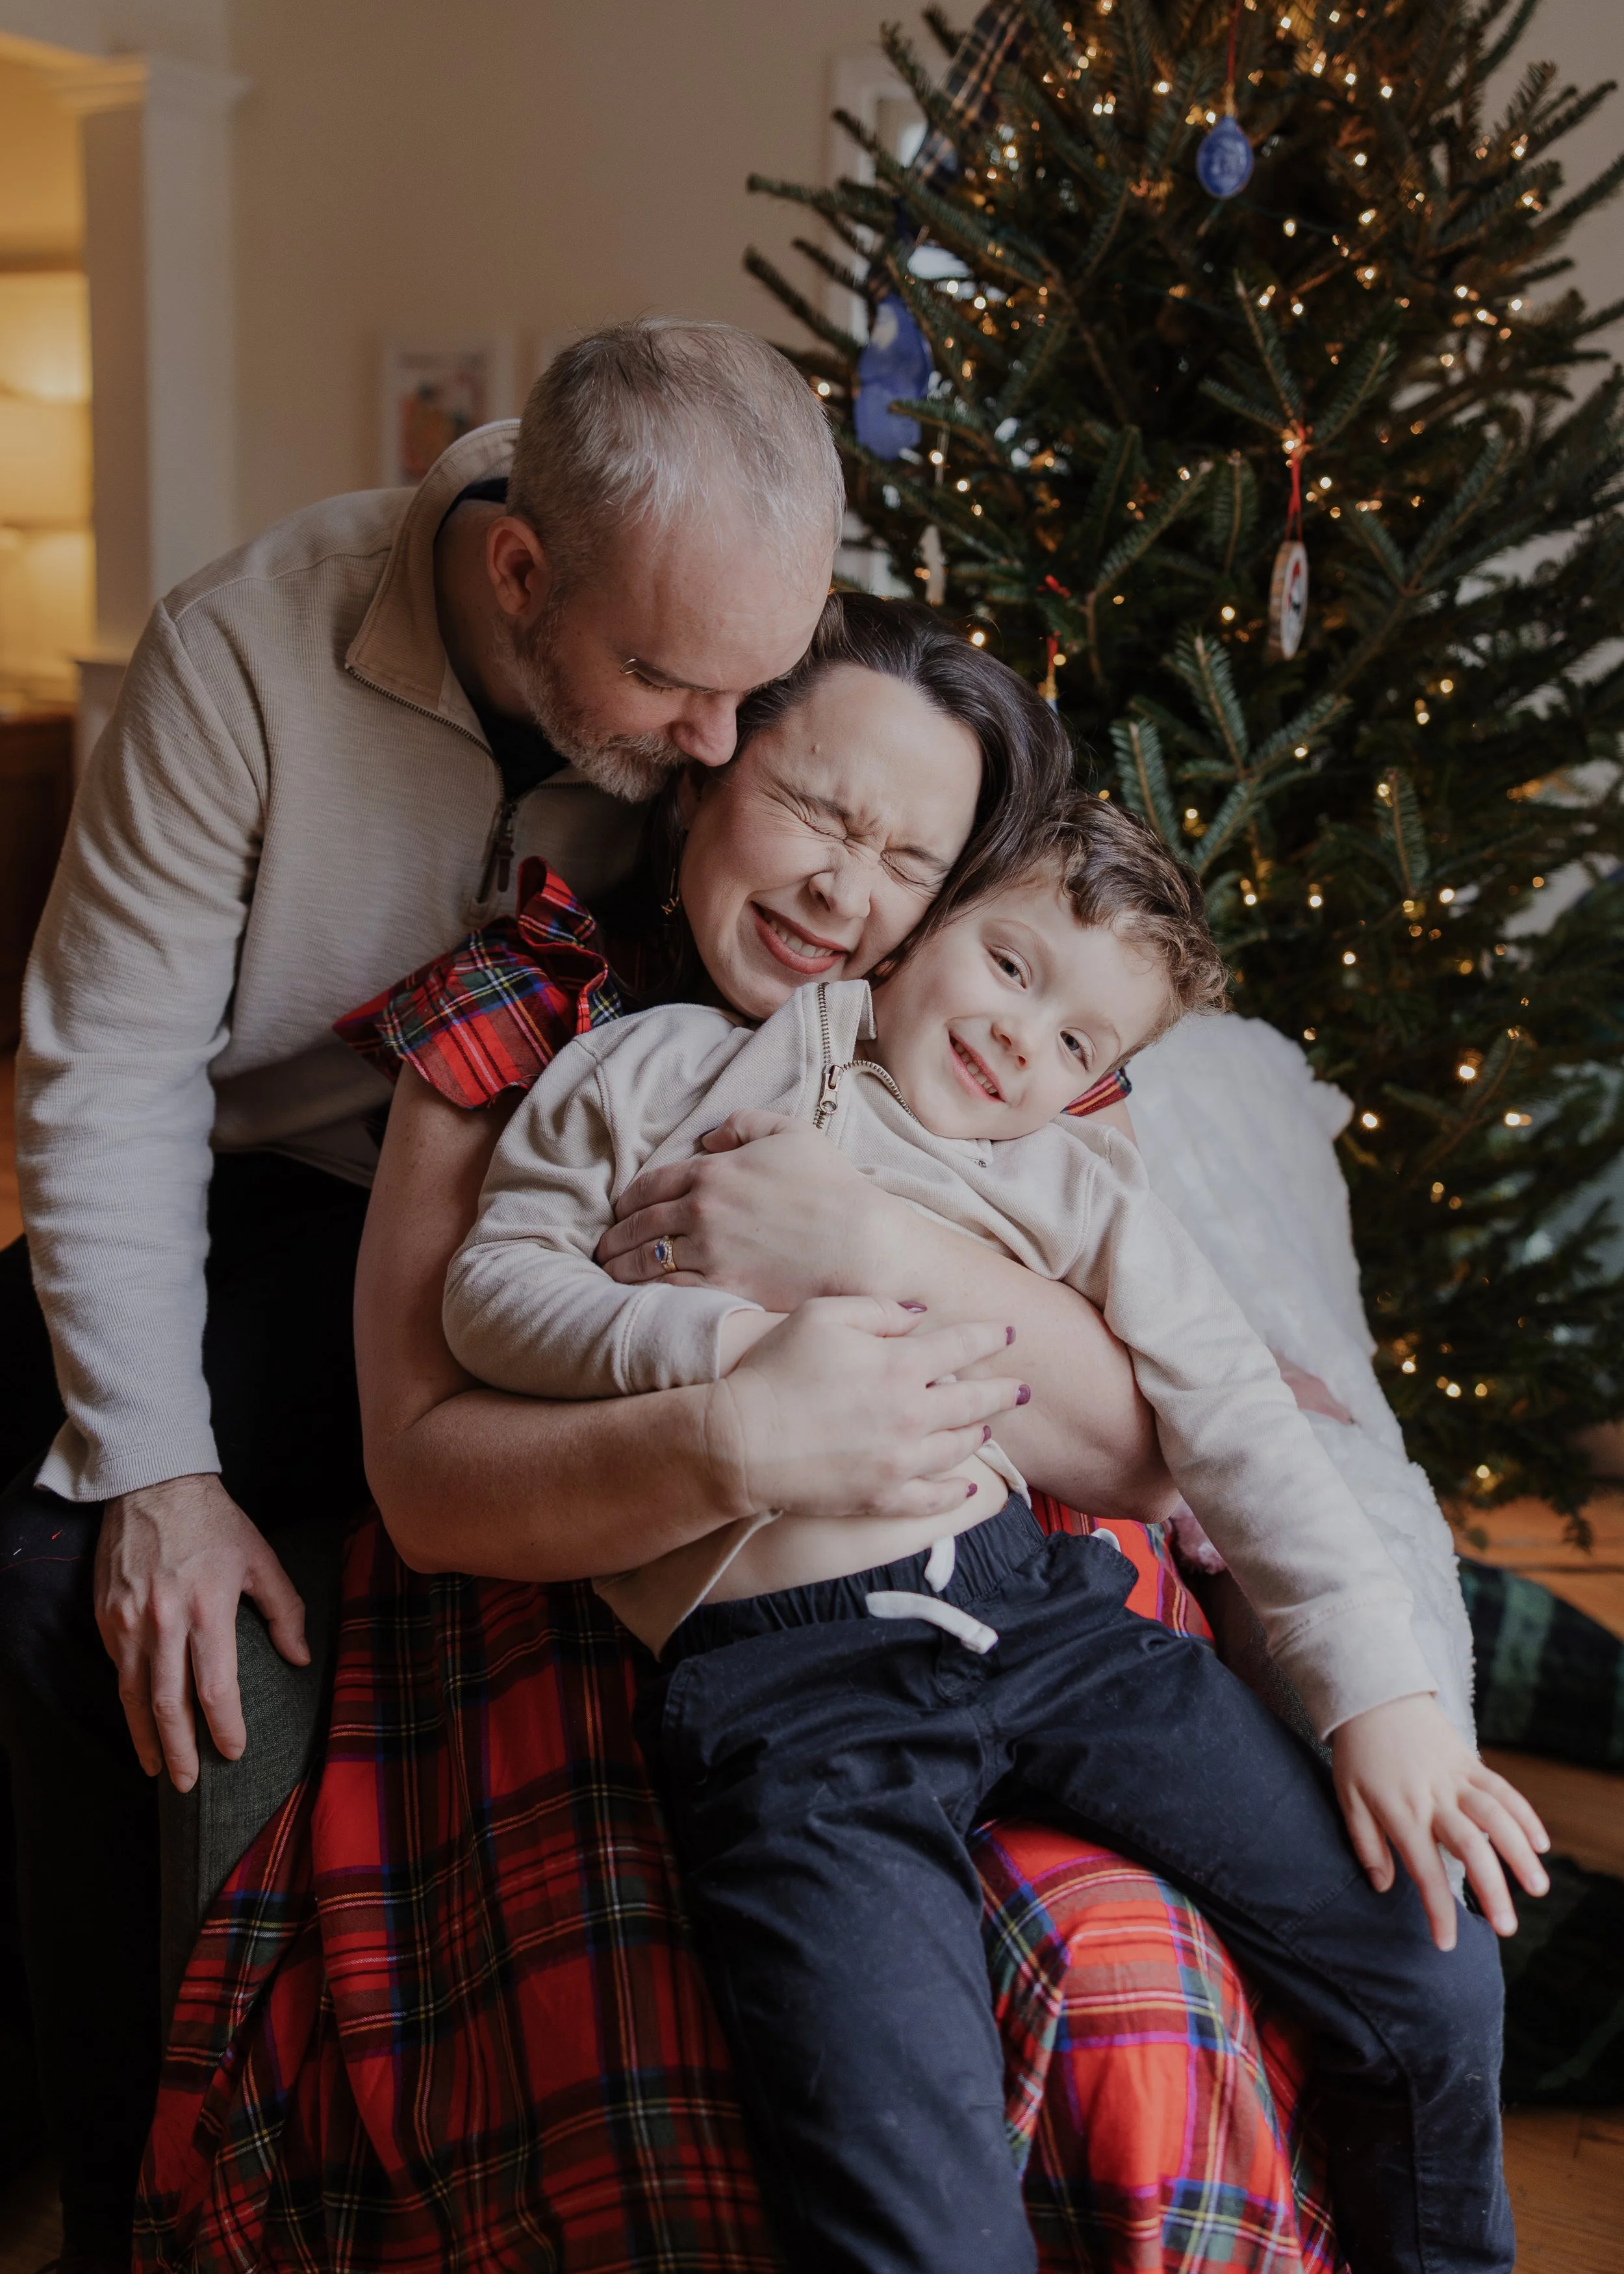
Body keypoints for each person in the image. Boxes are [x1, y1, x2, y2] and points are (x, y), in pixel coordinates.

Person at [137, 600, 1340, 2273]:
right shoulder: (521, 1012)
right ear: (707, 769)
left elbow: (1136, 1449)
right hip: (615, 1633)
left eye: (908, 859)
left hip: (1011, 1605)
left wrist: (876, 1244)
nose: (846, 892)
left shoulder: (994, 1031)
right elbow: (420, 1479)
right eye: (816, 810)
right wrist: (735, 1434)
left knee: (1130, 1988)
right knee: (680, 2082)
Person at [0, 316, 876, 2271]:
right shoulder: (240, 652)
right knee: (82, 1535)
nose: (722, 747)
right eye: (667, 683)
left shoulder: (721, 657)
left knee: (44, 1582)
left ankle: (131, 2199)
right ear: (514, 573)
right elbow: (110, 1071)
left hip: (556, 1209)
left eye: (757, 684)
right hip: (267, 1188)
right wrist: (154, 1468)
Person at [442, 759, 1547, 2268]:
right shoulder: (670, 1071)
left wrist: (1384, 1702)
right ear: (915, 931)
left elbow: (1233, 1423)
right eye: (1007, 962)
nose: (1016, 1033)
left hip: (1042, 1621)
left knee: (1429, 1961)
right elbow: (490, 1295)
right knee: (911, 2196)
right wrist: (721, 1350)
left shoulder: (1070, 1177)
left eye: (1074, 1033)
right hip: (791, 1686)